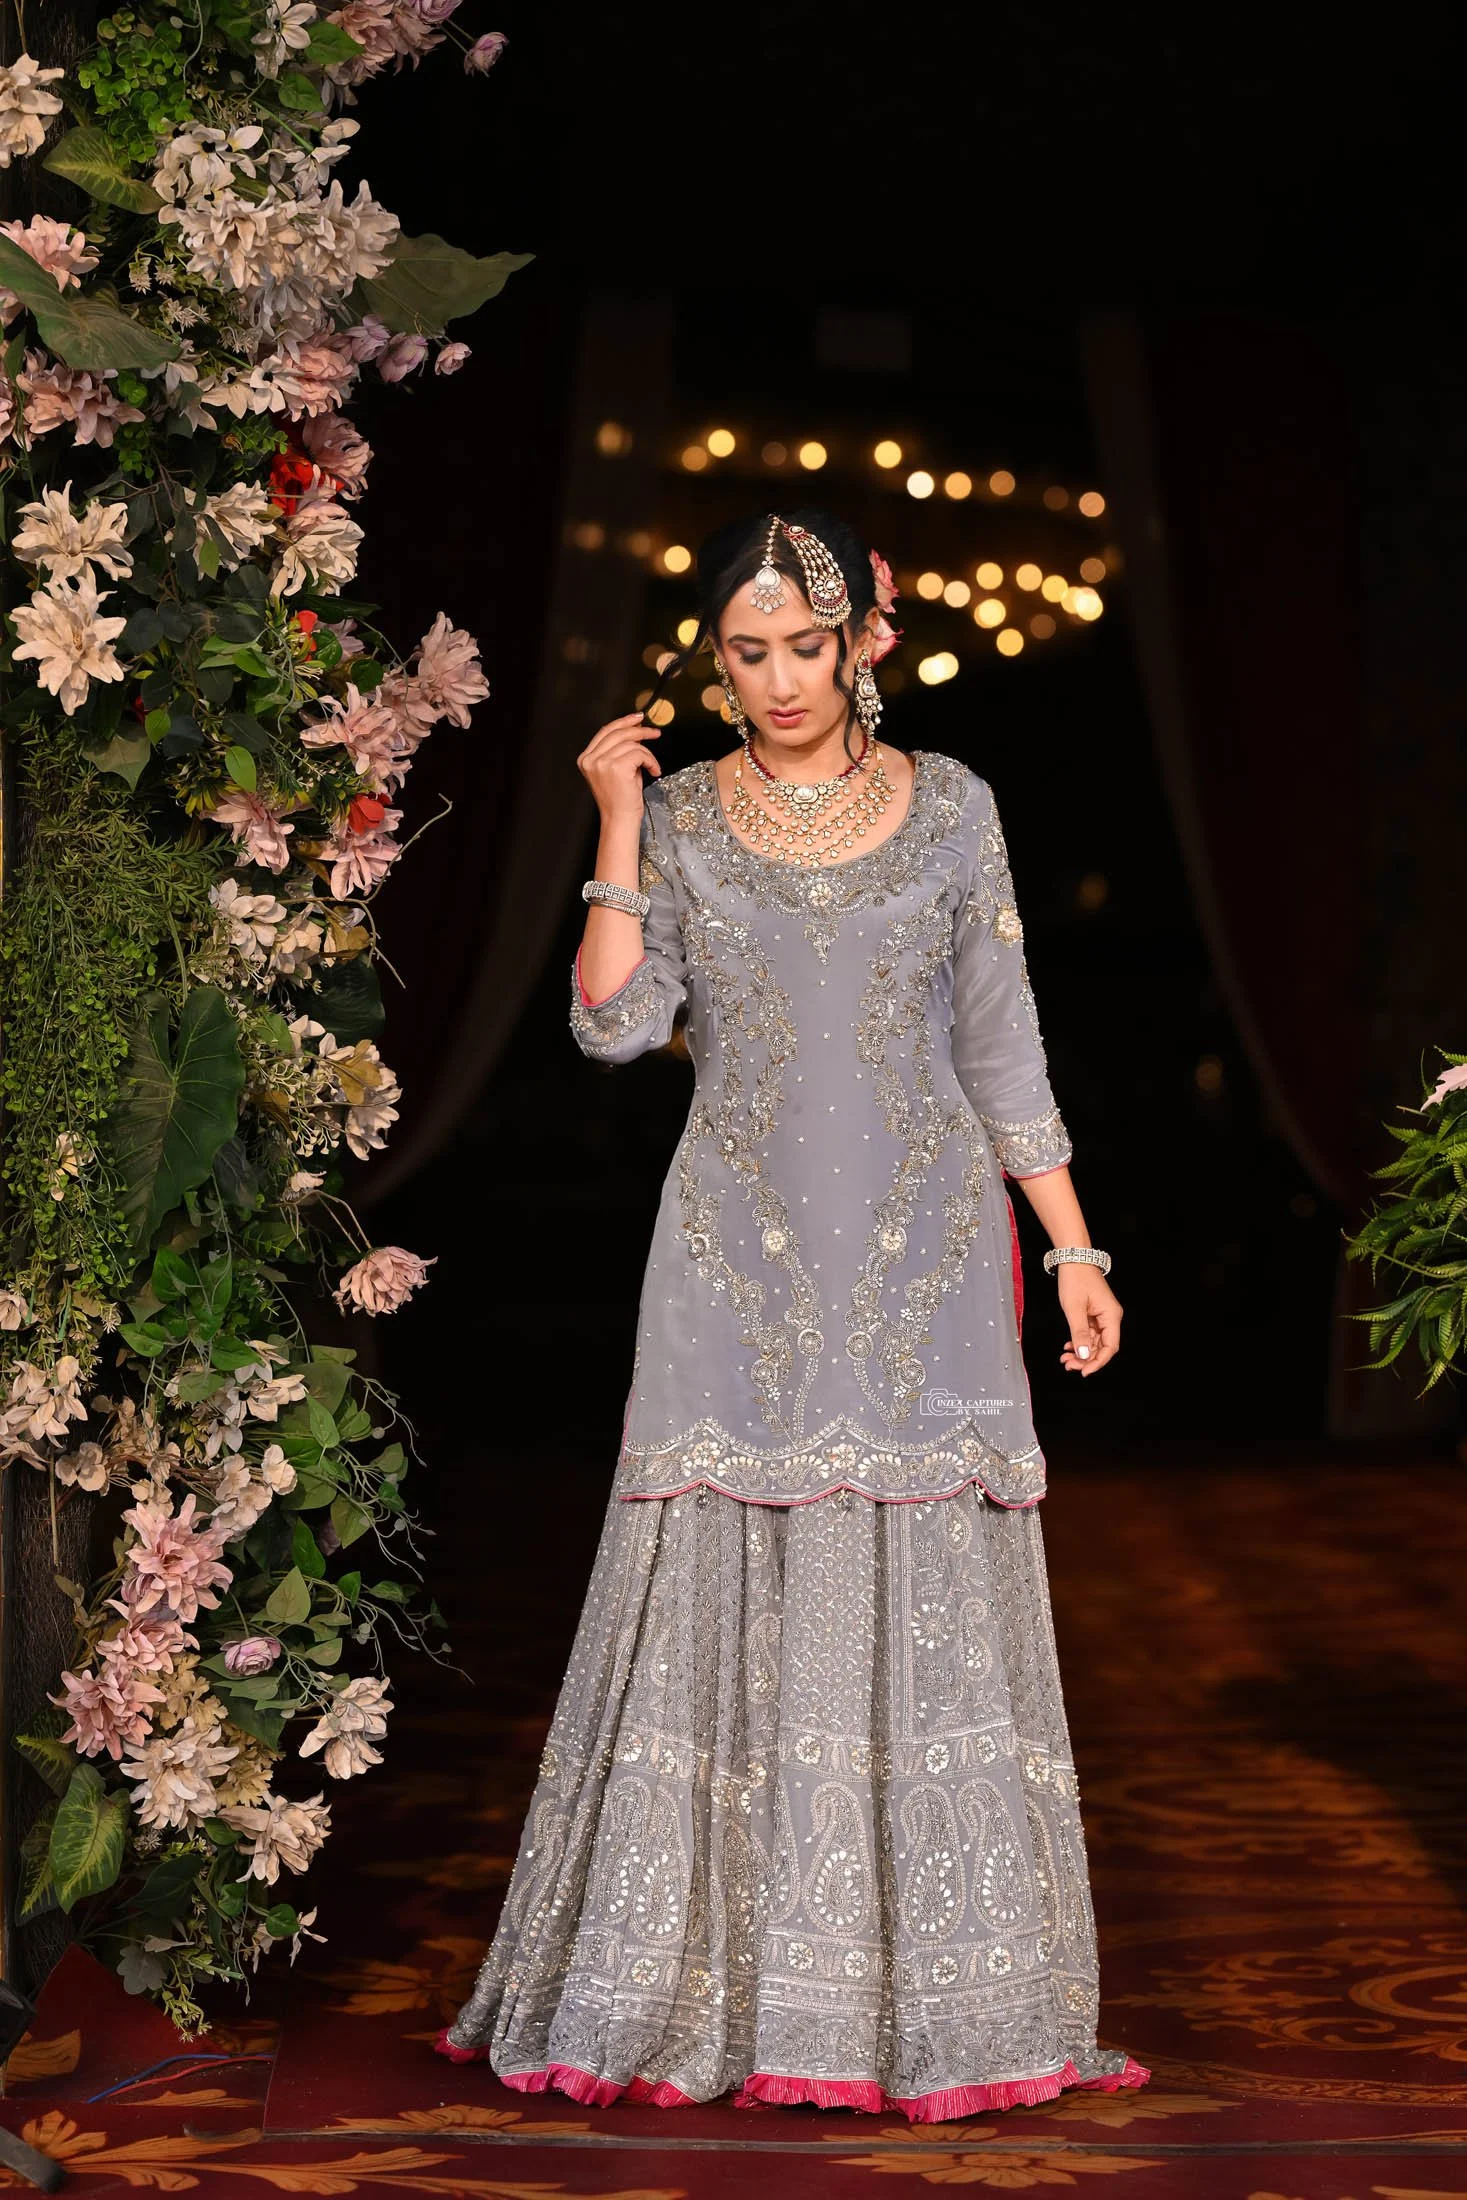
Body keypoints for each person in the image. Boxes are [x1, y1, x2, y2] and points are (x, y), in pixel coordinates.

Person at [436, 507, 1149, 2120]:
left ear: (861, 642)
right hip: (737, 1266)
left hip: (925, 1261)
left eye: (802, 648)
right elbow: (617, 1033)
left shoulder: (953, 807)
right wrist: (614, 821)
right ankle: (709, 1993)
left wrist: (1075, 1253)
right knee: (720, 1586)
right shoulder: (681, 815)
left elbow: (1003, 1049)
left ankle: (932, 2007)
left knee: (922, 1586)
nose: (774, 680)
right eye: (743, 653)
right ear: (715, 659)